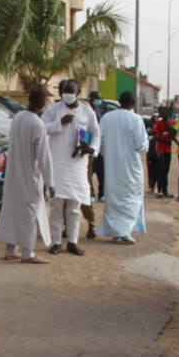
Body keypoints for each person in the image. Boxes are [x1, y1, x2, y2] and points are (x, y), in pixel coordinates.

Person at [0, 84, 55, 263]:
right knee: (29, 214)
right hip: (29, 176)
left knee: (12, 213)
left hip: (13, 175)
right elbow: (44, 157)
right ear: (43, 102)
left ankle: (10, 250)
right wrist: (50, 184)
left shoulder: (19, 117)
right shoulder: (37, 124)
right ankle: (28, 253)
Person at [43, 79, 101, 255]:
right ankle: (56, 242)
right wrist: (59, 122)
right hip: (57, 164)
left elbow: (97, 133)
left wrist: (92, 149)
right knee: (56, 206)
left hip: (77, 165)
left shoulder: (86, 111)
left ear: (78, 92)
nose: (67, 94)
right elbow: (42, 128)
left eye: (71, 90)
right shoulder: (53, 110)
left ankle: (72, 242)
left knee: (74, 207)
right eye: (65, 91)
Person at [95, 91, 149, 244]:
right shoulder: (136, 119)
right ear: (133, 103)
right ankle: (124, 231)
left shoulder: (107, 118)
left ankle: (116, 231)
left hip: (112, 165)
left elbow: (101, 141)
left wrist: (110, 155)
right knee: (130, 198)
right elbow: (142, 145)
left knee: (113, 197)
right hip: (131, 166)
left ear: (119, 101)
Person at [151, 106, 176, 198]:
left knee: (166, 170)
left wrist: (168, 125)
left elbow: (174, 135)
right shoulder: (158, 123)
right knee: (160, 169)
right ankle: (159, 190)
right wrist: (165, 141)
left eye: (166, 113)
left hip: (168, 150)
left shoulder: (172, 123)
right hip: (160, 149)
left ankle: (165, 190)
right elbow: (154, 135)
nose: (164, 114)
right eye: (163, 113)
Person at [88, 90, 108, 201]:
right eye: (97, 99)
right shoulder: (86, 111)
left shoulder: (103, 111)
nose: (99, 101)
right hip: (89, 145)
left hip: (100, 146)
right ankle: (90, 194)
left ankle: (102, 193)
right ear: (91, 100)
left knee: (102, 171)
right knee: (88, 171)